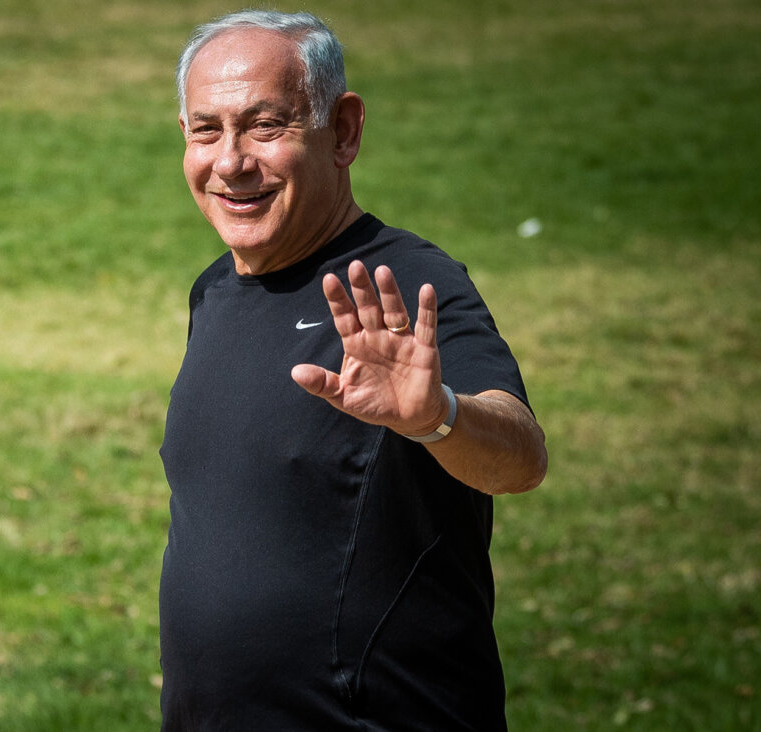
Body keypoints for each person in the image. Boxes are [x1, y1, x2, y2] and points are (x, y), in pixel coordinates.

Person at [157, 10, 548, 731]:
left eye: (265, 126)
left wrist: (438, 415)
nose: (231, 161)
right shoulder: (214, 289)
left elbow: (521, 456)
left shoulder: (403, 281)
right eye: (206, 129)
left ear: (343, 131)